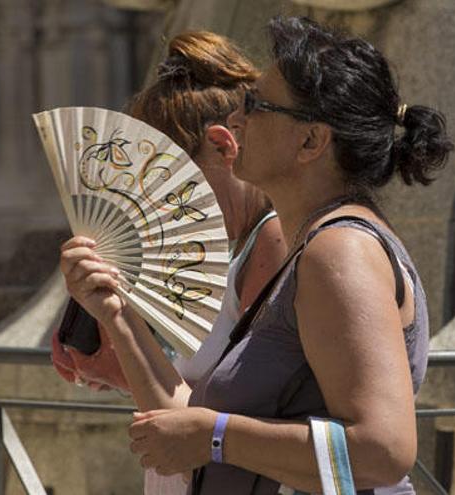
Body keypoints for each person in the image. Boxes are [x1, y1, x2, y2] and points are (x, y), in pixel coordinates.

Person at [124, 16, 453, 494]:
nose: (236, 119)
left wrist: (215, 438)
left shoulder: (339, 252)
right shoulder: (321, 246)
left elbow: (382, 450)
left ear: (311, 141)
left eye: (256, 106)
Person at [54, 31, 287, 494]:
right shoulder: (228, 246)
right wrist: (115, 363)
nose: (154, 206)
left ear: (224, 149)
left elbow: (240, 422)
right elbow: (189, 399)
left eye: (167, 183)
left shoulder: (273, 241)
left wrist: (120, 325)